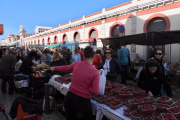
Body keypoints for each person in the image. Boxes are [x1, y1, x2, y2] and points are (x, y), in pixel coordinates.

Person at [49, 46, 100, 120]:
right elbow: (95, 92)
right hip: (82, 102)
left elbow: (66, 67)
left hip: (69, 98)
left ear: (83, 55)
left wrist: (54, 68)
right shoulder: (95, 72)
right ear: (94, 56)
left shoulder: (77, 64)